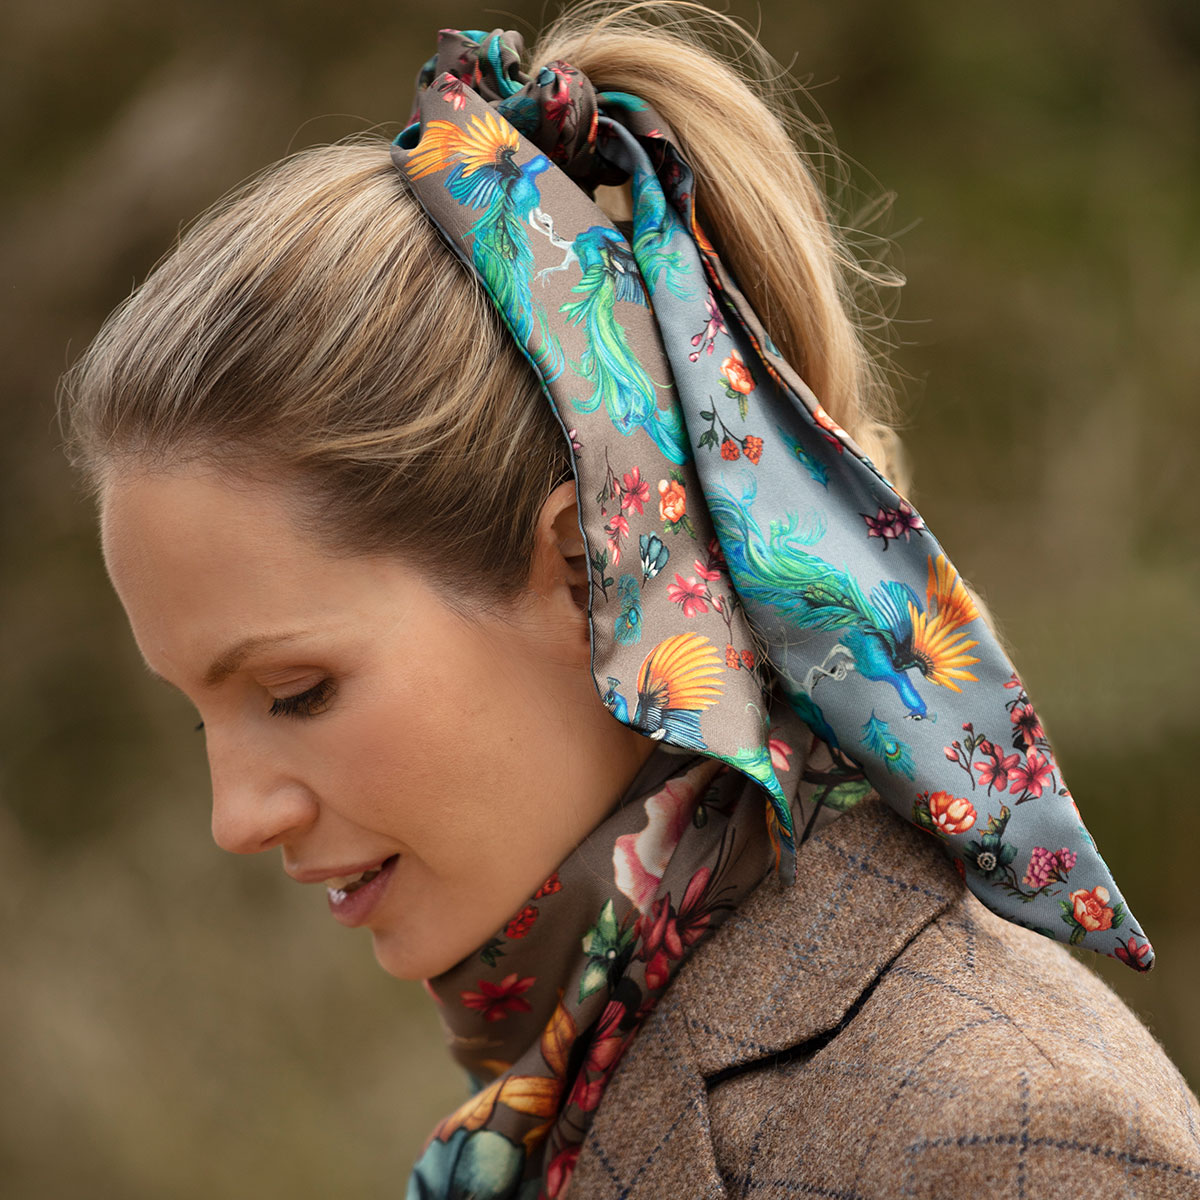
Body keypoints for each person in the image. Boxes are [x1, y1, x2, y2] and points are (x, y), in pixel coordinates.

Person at [61, 3, 1200, 1197]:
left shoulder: (1004, 1137)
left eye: (296, 692)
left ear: (589, 567)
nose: (234, 817)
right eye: (201, 713)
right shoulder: (576, 1076)